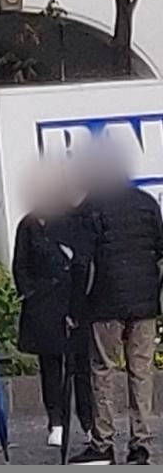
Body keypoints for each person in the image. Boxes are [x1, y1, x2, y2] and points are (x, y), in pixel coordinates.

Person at [78, 139, 163, 465]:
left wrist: (76, 307)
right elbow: (160, 247)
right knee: (141, 372)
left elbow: (82, 260)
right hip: (144, 303)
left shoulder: (93, 204)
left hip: (105, 301)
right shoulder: (146, 203)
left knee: (103, 370)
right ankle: (140, 442)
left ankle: (103, 442)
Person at [12, 164, 94, 452]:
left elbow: (86, 262)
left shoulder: (78, 221)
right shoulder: (30, 224)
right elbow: (20, 267)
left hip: (76, 303)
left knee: (81, 367)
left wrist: (81, 303)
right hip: (45, 306)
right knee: (50, 366)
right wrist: (32, 295)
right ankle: (55, 421)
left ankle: (87, 421)